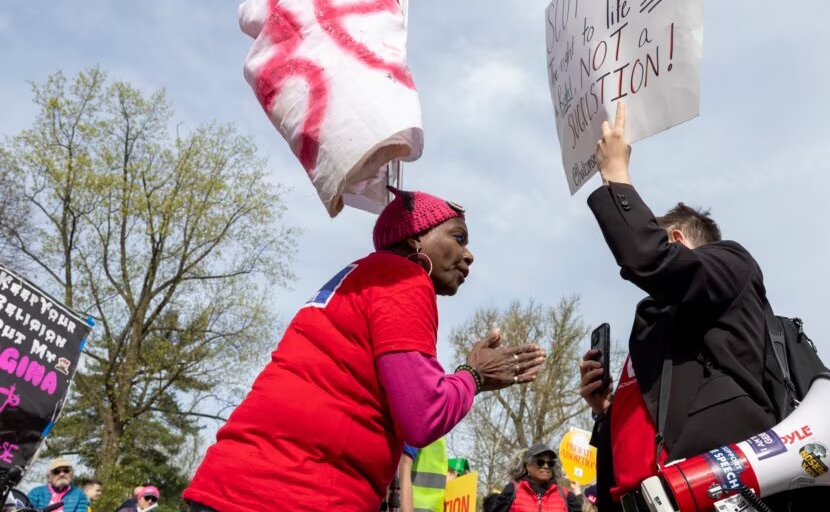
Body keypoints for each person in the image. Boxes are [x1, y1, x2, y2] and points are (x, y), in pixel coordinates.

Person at [184, 187, 547, 512]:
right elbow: (424, 415)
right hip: (293, 493)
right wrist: (474, 376)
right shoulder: (402, 279)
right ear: (414, 239)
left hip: (232, 484)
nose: (469, 255)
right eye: (458, 237)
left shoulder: (363, 276)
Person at [578, 103, 782, 511]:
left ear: (673, 237)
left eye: (651, 235)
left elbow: (648, 260)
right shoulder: (662, 320)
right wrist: (608, 412)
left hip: (715, 493)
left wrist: (615, 175)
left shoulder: (732, 264)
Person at [484, 443, 582, 512]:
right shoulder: (513, 490)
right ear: (528, 465)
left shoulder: (565, 495)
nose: (546, 466)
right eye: (540, 462)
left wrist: (578, 492)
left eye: (550, 463)